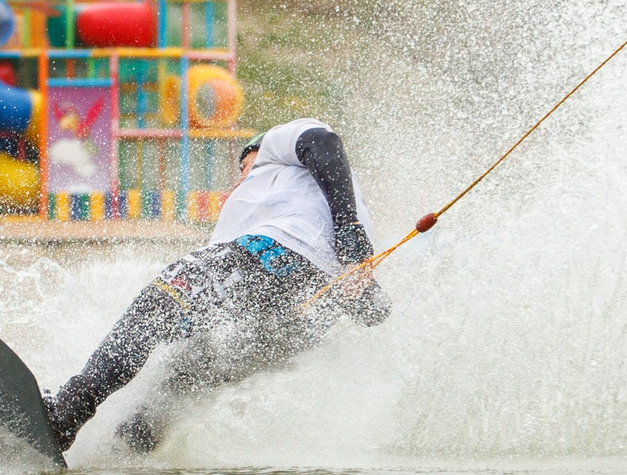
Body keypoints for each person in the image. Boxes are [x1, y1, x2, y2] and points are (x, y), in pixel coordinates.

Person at [43, 117, 391, 453]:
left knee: (157, 308)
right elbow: (372, 312)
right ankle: (129, 446)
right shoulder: (276, 216)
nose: (240, 179)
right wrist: (366, 295)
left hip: (272, 254)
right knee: (187, 372)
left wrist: (348, 230)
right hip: (298, 317)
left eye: (243, 168)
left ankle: (65, 413)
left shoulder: (275, 151)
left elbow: (322, 143)